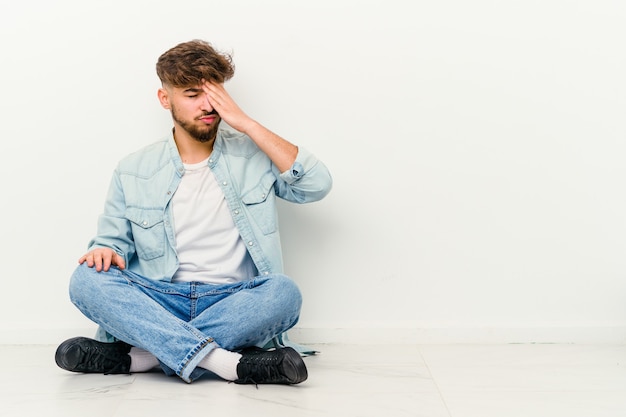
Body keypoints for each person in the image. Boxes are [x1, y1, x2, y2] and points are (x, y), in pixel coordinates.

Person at [54, 39, 332, 385]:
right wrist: (105, 251)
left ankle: (144, 358)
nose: (207, 105)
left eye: (213, 93)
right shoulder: (133, 169)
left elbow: (316, 185)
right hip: (160, 301)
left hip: (232, 302)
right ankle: (229, 364)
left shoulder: (253, 155)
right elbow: (111, 242)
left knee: (284, 293)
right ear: (165, 98)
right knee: (86, 279)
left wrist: (246, 123)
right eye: (191, 94)